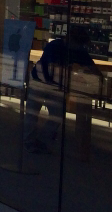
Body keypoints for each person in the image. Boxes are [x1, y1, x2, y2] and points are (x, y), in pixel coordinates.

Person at [24, 26, 101, 154]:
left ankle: (40, 140)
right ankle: (30, 141)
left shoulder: (74, 49)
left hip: (52, 84)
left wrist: (98, 78)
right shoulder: (55, 46)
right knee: (35, 113)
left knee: (56, 115)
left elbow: (92, 67)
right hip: (41, 82)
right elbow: (53, 66)